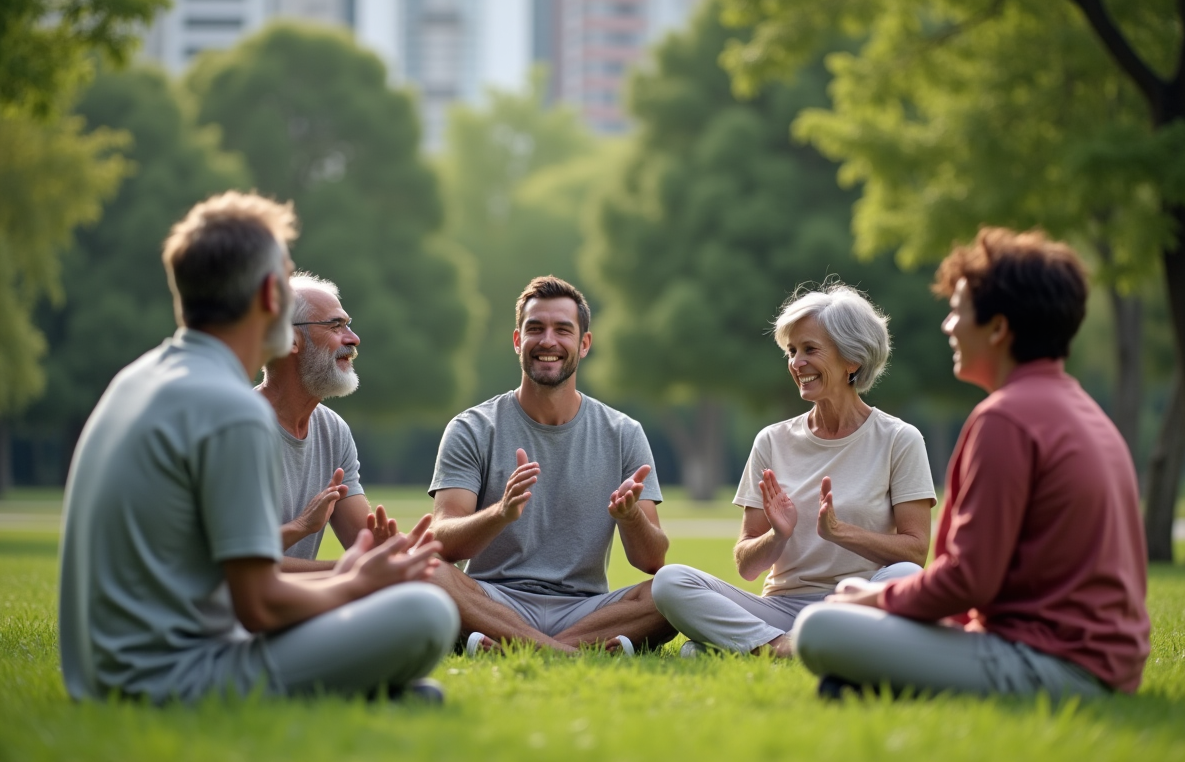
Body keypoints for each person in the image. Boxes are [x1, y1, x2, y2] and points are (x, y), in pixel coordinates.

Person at [58, 192, 458, 705]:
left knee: (409, 657)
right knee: (427, 612)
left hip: (101, 678)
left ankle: (369, 695)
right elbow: (261, 606)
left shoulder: (135, 379)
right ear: (270, 295)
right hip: (166, 681)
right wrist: (357, 581)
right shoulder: (232, 408)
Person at [794, 228, 1151, 699]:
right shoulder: (1081, 409)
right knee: (848, 654)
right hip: (1102, 661)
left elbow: (968, 580)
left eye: (958, 311)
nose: (948, 326)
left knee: (819, 627)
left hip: (1057, 664)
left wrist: (873, 597)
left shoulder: (1007, 418)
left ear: (998, 328)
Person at [652, 283, 936, 656]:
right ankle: (780, 647)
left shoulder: (900, 439)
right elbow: (746, 565)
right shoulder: (772, 441)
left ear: (852, 360)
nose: (796, 363)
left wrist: (841, 533)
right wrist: (777, 536)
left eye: (810, 350)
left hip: (854, 604)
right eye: (791, 351)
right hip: (780, 609)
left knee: (906, 577)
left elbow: (915, 552)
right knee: (670, 582)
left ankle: (743, 647)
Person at [427, 275, 675, 654]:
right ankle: (569, 651)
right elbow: (441, 541)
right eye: (535, 329)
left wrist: (631, 517)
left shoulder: (623, 432)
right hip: (493, 602)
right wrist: (500, 513)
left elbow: (652, 560)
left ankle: (517, 646)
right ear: (517, 340)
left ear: (584, 343)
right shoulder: (472, 428)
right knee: (426, 569)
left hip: (585, 608)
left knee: (675, 587)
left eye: (563, 330)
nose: (548, 341)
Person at [258, 272, 399, 572]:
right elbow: (238, 566)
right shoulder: (238, 428)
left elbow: (366, 545)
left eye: (347, 324)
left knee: (428, 584)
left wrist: (403, 550)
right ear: (290, 340)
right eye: (336, 326)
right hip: (238, 612)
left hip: (299, 603)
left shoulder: (333, 431)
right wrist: (345, 571)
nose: (353, 338)